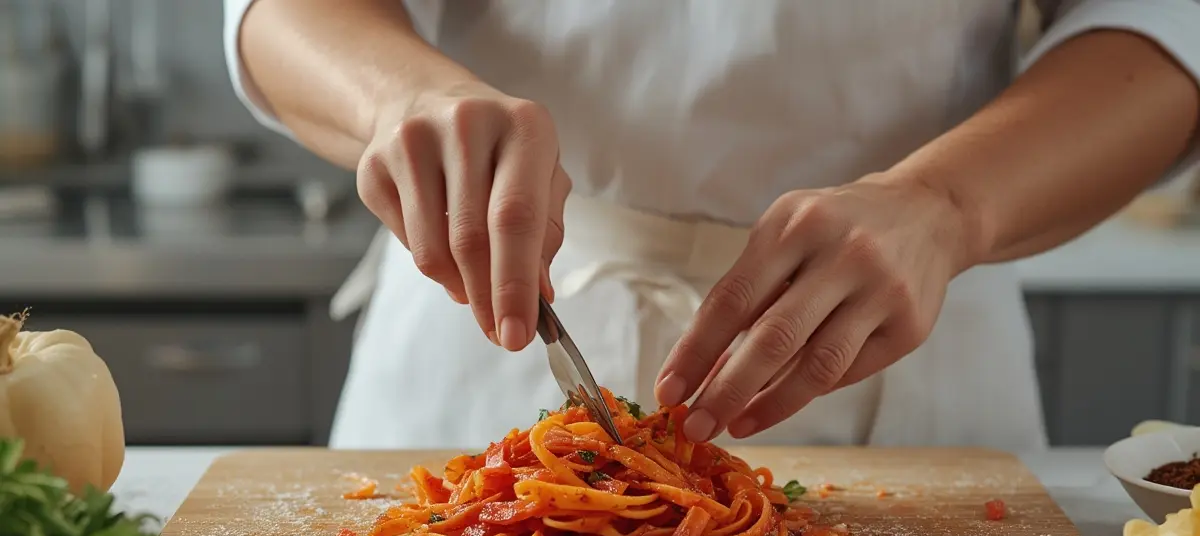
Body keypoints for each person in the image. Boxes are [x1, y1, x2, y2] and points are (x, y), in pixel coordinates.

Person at [224, 0, 1199, 451]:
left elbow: (1165, 22)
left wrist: (947, 206)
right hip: (479, 343)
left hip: (910, 350)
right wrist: (405, 98)